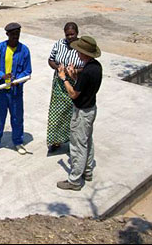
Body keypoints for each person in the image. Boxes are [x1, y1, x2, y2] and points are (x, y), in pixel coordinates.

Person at [56, 36, 102, 191]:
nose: (77, 53)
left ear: (84, 53)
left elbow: (74, 94)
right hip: (91, 109)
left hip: (81, 112)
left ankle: (75, 180)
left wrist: (64, 79)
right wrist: (73, 76)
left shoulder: (87, 71)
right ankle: (87, 171)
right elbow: (83, 85)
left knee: (77, 146)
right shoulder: (96, 67)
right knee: (88, 141)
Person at [0, 22, 32, 155]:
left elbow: (27, 71)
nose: (16, 37)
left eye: (18, 34)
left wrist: (18, 80)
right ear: (7, 34)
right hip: (1, 91)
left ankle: (18, 142)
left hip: (16, 92)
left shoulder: (24, 50)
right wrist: (2, 76)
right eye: (13, 34)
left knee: (17, 118)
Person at [46, 22, 85, 153]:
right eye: (67, 34)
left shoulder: (82, 47)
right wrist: (58, 68)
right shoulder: (59, 44)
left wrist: (74, 71)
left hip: (74, 83)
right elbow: (50, 60)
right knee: (57, 113)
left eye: (72, 34)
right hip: (59, 83)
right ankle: (56, 141)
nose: (69, 37)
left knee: (73, 114)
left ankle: (72, 141)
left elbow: (87, 66)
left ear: (77, 33)